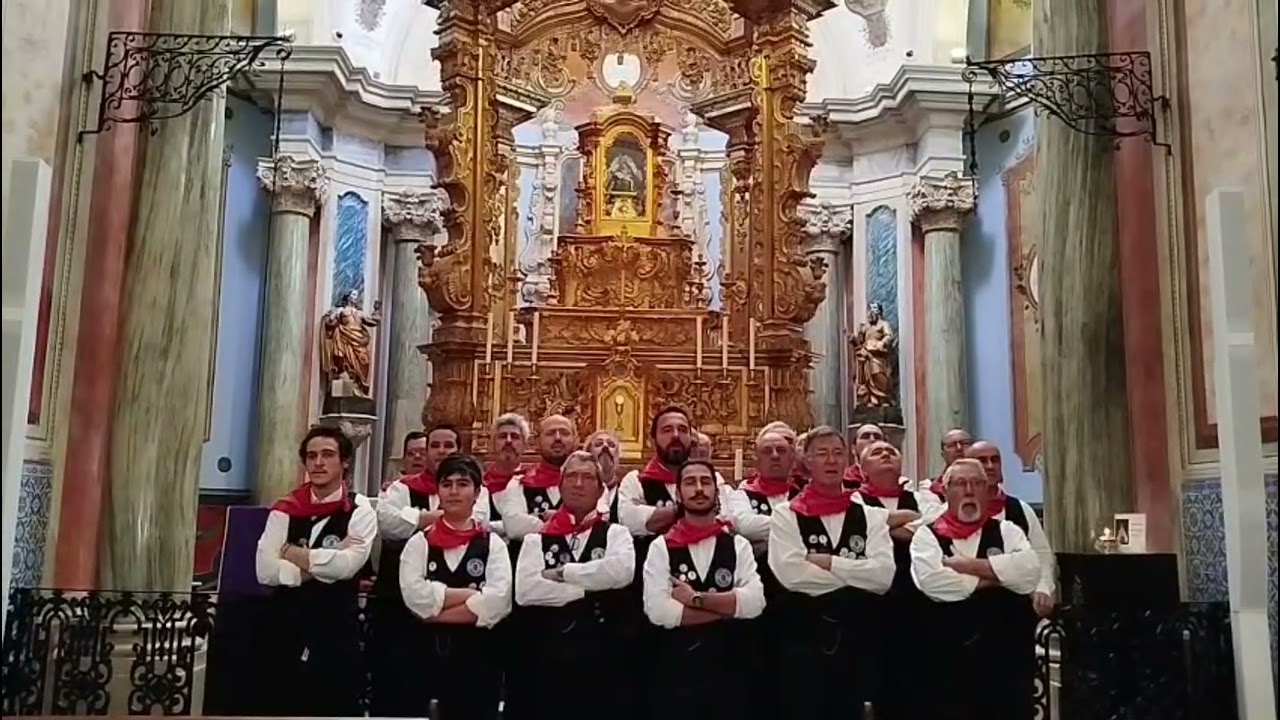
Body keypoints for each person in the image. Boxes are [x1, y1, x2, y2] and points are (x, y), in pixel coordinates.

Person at [767, 425, 894, 720]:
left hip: (857, 640)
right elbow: (791, 574)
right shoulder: (787, 514)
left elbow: (883, 577)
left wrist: (829, 563)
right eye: (822, 454)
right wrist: (858, 572)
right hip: (803, 640)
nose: (831, 461)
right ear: (807, 462)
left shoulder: (870, 515)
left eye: (838, 453)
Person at [253, 426, 376, 717]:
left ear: (345, 462)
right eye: (311, 456)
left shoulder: (360, 510)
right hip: (286, 631)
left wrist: (291, 553)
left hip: (336, 635)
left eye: (328, 454)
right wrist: (325, 562)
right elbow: (264, 570)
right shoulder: (286, 508)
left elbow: (348, 567)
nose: (318, 462)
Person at [371, 424, 489, 715]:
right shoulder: (402, 488)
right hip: (400, 607)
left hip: (465, 625)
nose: (441, 451)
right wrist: (442, 516)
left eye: (448, 445)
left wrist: (414, 517)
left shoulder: (478, 491)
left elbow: (478, 519)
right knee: (402, 692)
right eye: (434, 446)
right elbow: (388, 523)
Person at [910, 459, 1041, 719]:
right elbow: (934, 583)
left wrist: (967, 566)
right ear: (945, 492)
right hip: (950, 658)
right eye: (960, 483)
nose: (969, 490)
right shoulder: (927, 536)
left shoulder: (1008, 530)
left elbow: (1029, 573)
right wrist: (998, 576)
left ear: (987, 490)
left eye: (977, 483)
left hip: (1006, 658)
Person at [512, 451, 636, 720]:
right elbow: (526, 590)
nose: (579, 484)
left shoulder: (617, 533)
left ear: (601, 488)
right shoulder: (536, 538)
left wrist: (563, 573)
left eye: (587, 477)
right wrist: (589, 586)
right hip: (548, 657)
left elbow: (621, 572)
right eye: (572, 476)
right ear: (560, 485)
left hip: (604, 656)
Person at [642, 459, 765, 720]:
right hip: (677, 670)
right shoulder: (661, 547)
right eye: (690, 482)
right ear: (678, 494)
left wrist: (695, 599)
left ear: (716, 492)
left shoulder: (738, 545)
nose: (699, 489)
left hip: (730, 667)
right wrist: (729, 608)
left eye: (706, 482)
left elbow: (755, 603)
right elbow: (659, 612)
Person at [400, 454, 512, 720]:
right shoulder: (419, 543)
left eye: (462, 484)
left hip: (480, 660)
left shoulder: (493, 544)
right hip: (427, 657)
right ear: (438, 491)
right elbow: (414, 596)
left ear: (476, 493)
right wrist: (470, 595)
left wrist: (433, 612)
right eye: (447, 484)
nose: (453, 491)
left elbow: (498, 602)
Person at [852, 440, 942, 719]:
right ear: (862, 468)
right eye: (877, 452)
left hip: (918, 601)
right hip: (872, 604)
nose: (886, 454)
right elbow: (860, 525)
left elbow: (936, 524)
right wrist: (907, 525)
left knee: (917, 682)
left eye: (891, 450)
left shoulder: (925, 498)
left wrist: (884, 526)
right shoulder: (854, 500)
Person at [965, 440, 1057, 617]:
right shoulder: (948, 514)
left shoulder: (1020, 510)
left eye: (995, 460)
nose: (990, 466)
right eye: (982, 461)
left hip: (1014, 611)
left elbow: (1042, 555)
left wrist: (1043, 588)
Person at [493, 414, 577, 541]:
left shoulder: (590, 481)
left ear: (576, 439)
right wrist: (565, 522)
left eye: (564, 433)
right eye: (550, 433)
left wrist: (536, 520)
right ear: (537, 441)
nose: (558, 438)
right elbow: (514, 527)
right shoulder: (519, 482)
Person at [484, 413, 530, 538]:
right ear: (492, 444)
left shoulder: (533, 484)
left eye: (515, 437)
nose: (508, 441)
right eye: (502, 436)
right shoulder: (480, 484)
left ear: (525, 445)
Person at [585, 429, 624, 518]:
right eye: (598, 444)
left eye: (611, 445)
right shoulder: (578, 491)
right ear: (588, 454)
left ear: (617, 457)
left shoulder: (626, 493)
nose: (605, 446)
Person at [926, 428, 972, 499]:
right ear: (943, 454)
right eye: (951, 445)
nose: (959, 448)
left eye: (964, 443)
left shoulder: (988, 483)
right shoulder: (930, 488)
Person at [843, 423, 885, 488]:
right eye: (865, 436)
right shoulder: (842, 480)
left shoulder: (897, 481)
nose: (872, 440)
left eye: (877, 437)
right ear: (853, 449)